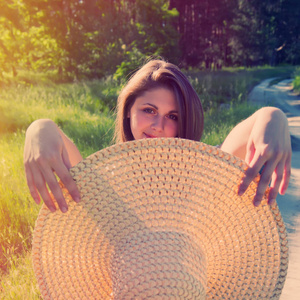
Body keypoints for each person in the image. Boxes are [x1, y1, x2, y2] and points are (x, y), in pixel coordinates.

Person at [24, 59, 292, 213]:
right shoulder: (109, 179)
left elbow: (238, 140)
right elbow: (73, 168)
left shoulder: (201, 171)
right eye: (149, 110)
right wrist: (40, 128)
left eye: (173, 116)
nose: (158, 125)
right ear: (128, 112)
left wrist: (274, 117)